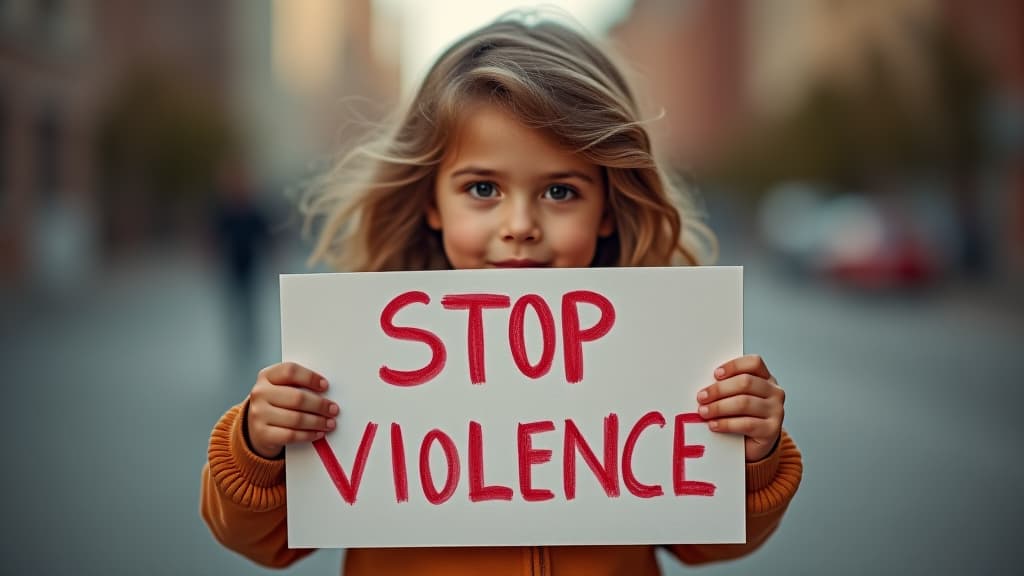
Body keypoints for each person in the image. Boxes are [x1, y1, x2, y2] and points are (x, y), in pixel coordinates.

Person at [200, 13, 802, 576]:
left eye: (560, 192)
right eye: (483, 187)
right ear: (432, 201)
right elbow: (262, 540)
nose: (520, 224)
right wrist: (258, 444)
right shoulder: (360, 357)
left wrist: (751, 455)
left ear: (609, 208)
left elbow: (707, 540)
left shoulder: (661, 356)